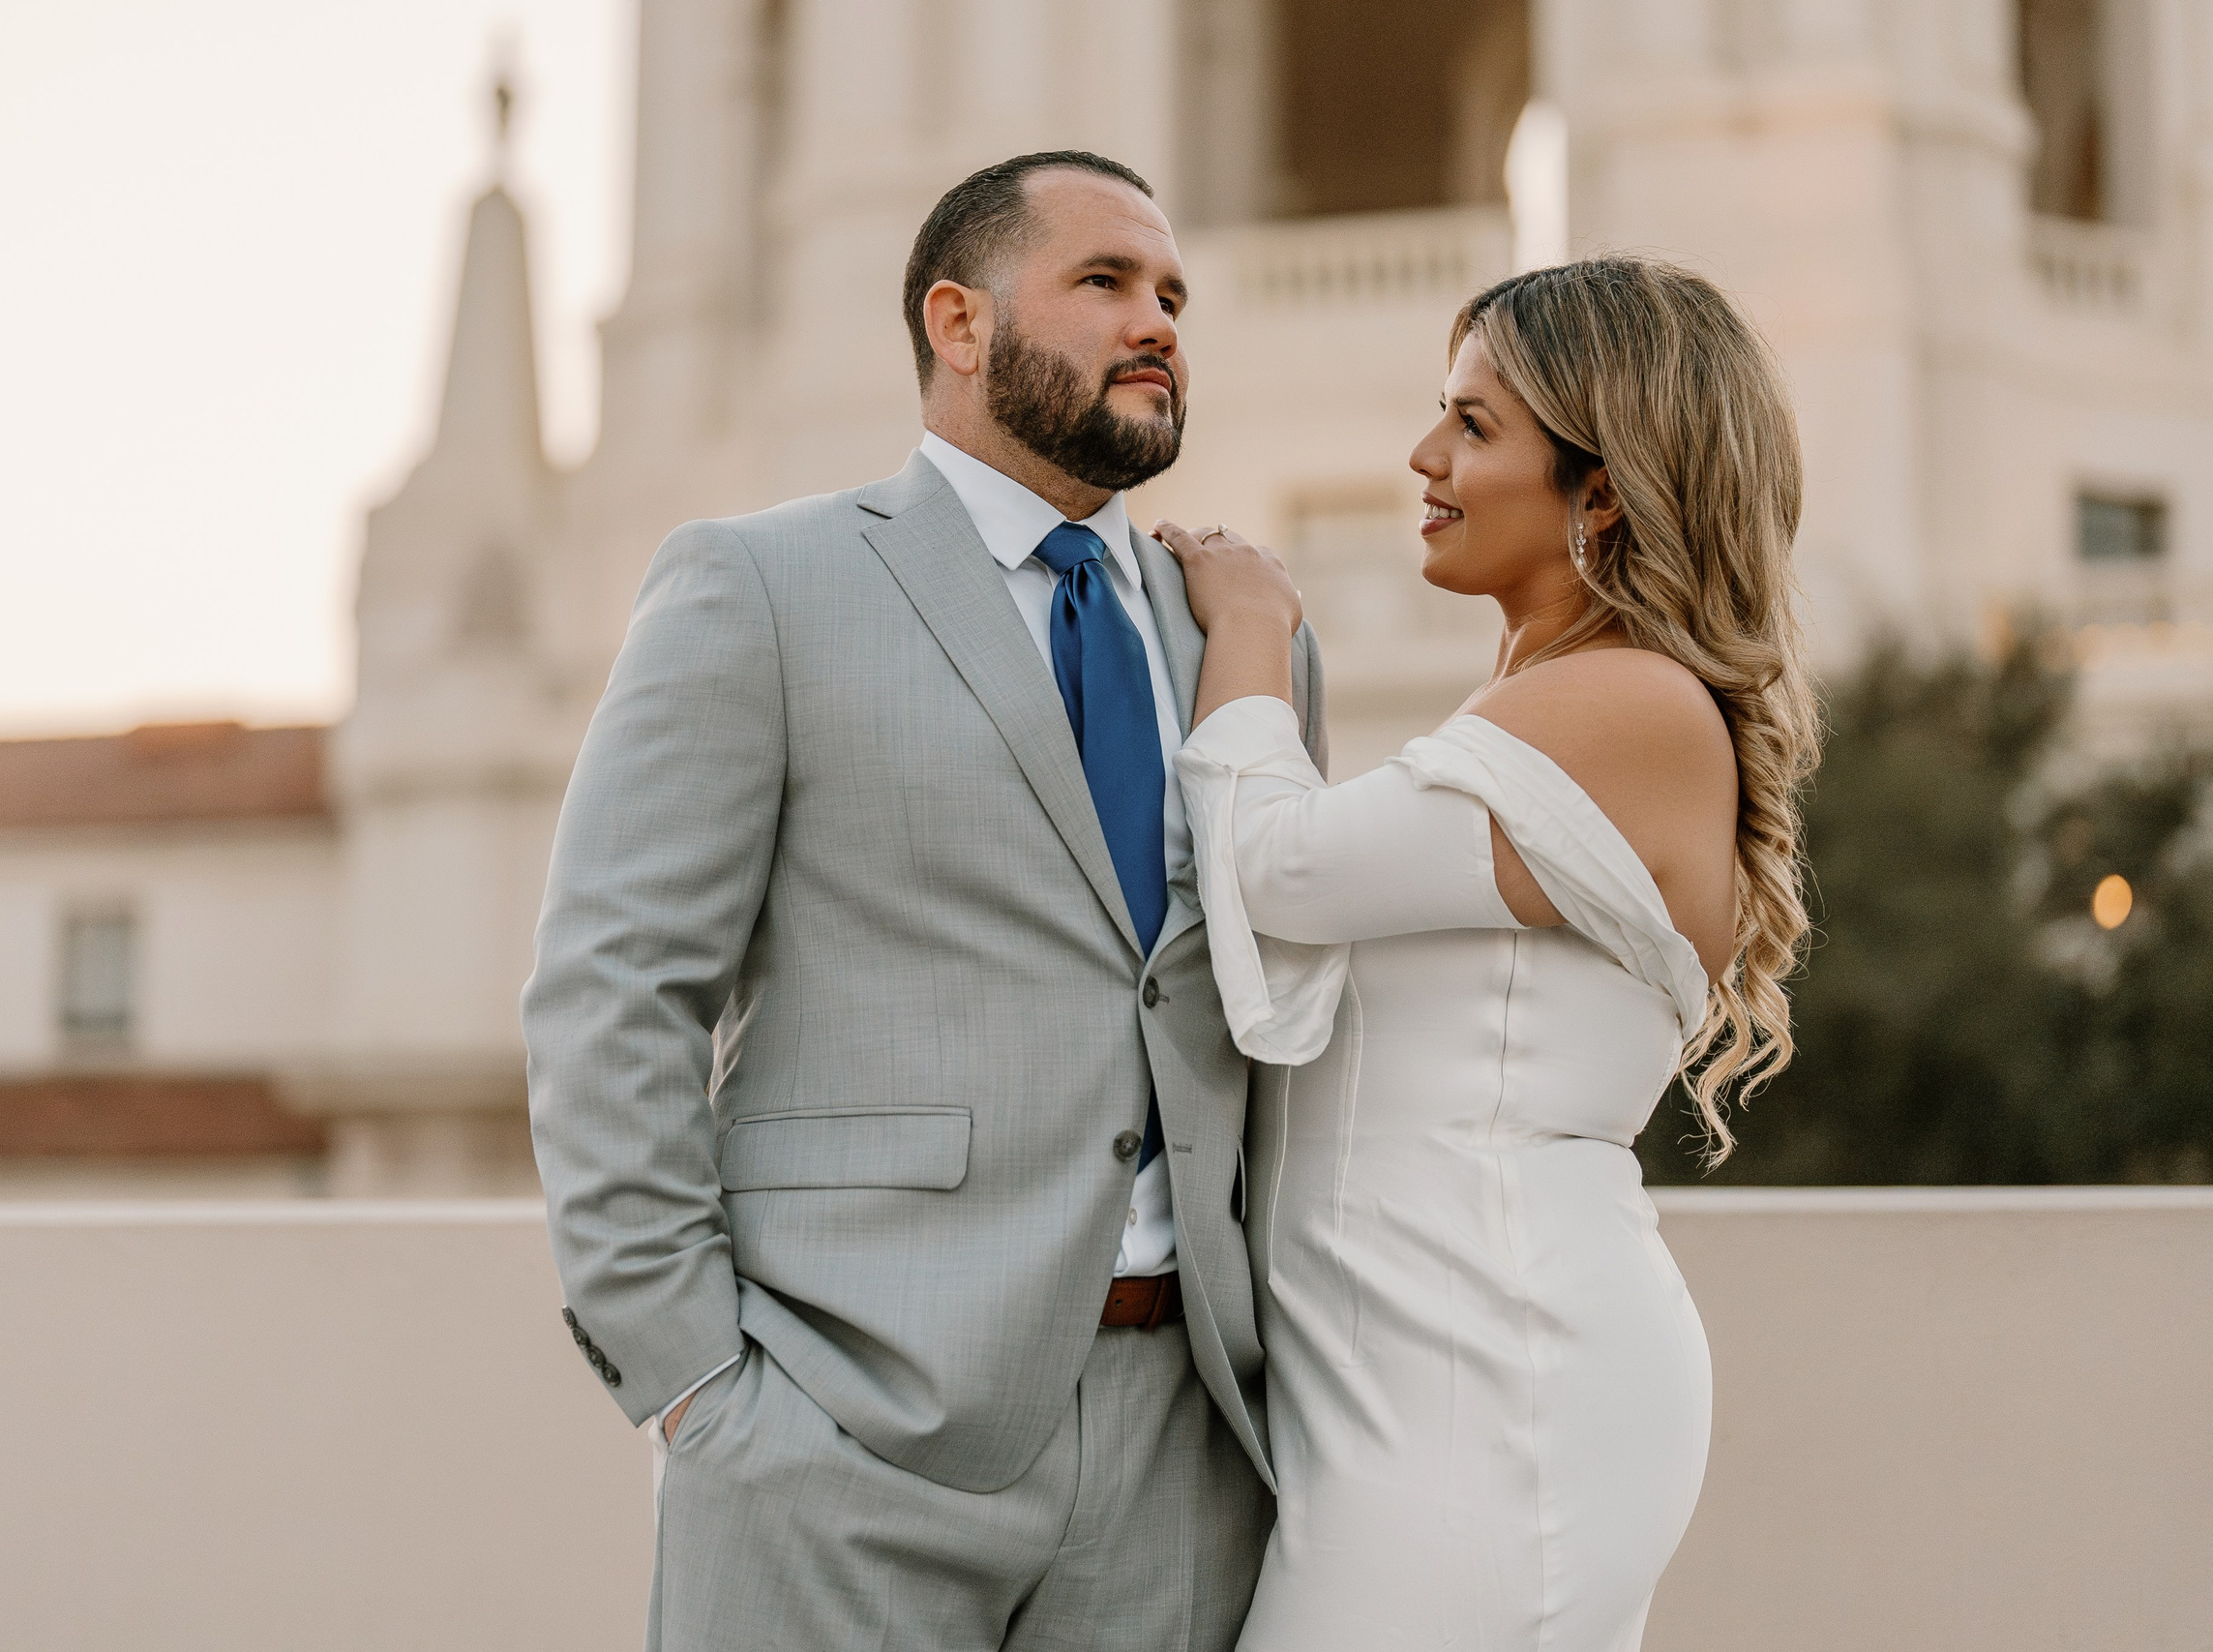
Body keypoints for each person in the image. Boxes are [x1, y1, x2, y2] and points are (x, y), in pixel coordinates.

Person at [523, 151, 1322, 1652]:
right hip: (842, 1438)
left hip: (1182, 1455)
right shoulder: (757, 588)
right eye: (1104, 283)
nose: (1157, 322)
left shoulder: (1246, 634)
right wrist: (699, 1390)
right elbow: (610, 994)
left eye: (1171, 295)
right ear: (959, 323)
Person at [1154, 256, 1820, 1650]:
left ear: (1606, 488)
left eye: (1473, 424)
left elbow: (1271, 873)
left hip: (1491, 1389)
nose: (1424, 455)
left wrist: (1254, 631)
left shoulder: (1627, 703)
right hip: (1416, 1377)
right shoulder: (1541, 700)